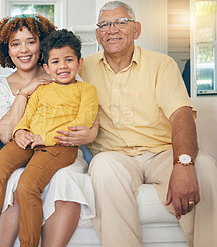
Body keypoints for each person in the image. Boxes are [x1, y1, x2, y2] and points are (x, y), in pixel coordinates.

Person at [78, 1, 217, 246]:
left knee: (204, 167)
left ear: (136, 30)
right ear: (98, 35)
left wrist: (182, 163)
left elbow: (181, 114)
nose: (112, 29)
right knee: (103, 166)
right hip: (115, 156)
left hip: (162, 152)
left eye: (121, 22)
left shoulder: (162, 64)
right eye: (104, 25)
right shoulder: (83, 68)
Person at [0, 14, 98, 247]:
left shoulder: (66, 75)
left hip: (60, 148)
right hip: (25, 146)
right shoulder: (1, 85)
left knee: (56, 180)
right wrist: (24, 97)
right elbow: (7, 132)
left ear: (41, 45)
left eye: (30, 41)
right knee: (12, 176)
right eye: (15, 43)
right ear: (7, 49)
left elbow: (89, 118)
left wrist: (89, 133)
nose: (24, 49)